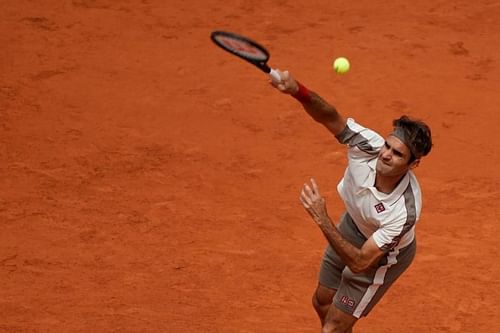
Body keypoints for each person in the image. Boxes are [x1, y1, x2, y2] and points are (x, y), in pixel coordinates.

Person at [270, 70, 433, 333]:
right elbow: (331, 117)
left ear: (413, 164)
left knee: (332, 327)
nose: (386, 155)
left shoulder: (404, 211)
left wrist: (322, 218)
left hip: (382, 257)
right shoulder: (368, 146)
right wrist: (296, 90)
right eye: (388, 147)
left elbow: (360, 263)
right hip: (351, 227)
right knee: (322, 302)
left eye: (398, 154)